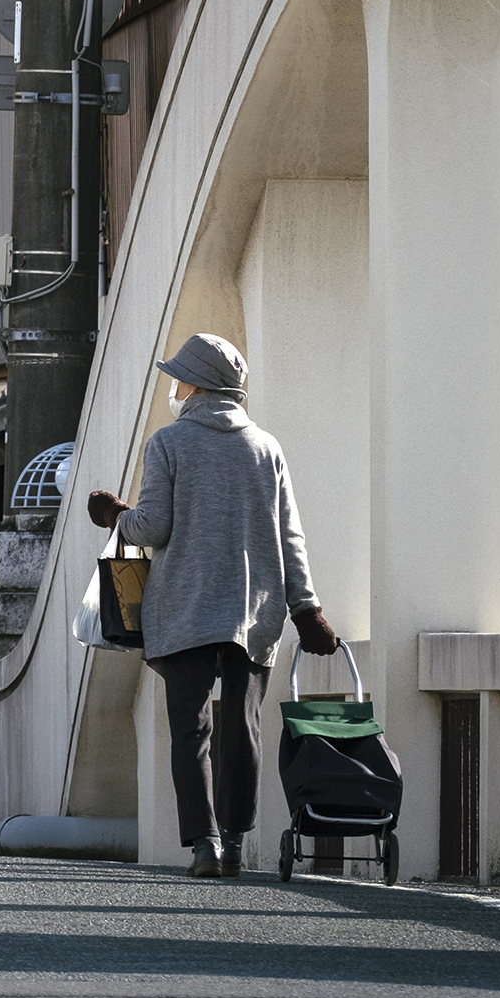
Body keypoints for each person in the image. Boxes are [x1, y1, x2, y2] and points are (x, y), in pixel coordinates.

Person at [89, 330, 339, 880]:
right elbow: (288, 537)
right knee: (241, 727)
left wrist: (115, 514)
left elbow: (154, 526)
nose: (173, 386)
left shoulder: (168, 444)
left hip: (185, 609)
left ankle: (201, 845)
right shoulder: (266, 448)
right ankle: (232, 841)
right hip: (255, 610)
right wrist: (308, 611)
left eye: (178, 377)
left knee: (191, 730)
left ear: (196, 384)